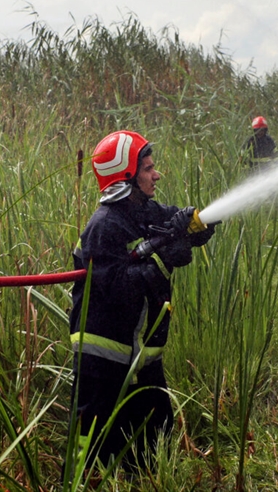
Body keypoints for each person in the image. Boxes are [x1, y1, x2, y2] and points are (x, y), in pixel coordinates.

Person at [68, 130, 217, 476]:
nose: (156, 174)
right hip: (103, 362)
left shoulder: (143, 210)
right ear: (125, 177)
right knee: (91, 459)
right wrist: (166, 258)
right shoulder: (104, 227)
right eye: (148, 168)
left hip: (141, 360)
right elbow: (119, 287)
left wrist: (198, 223)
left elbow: (172, 222)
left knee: (155, 444)